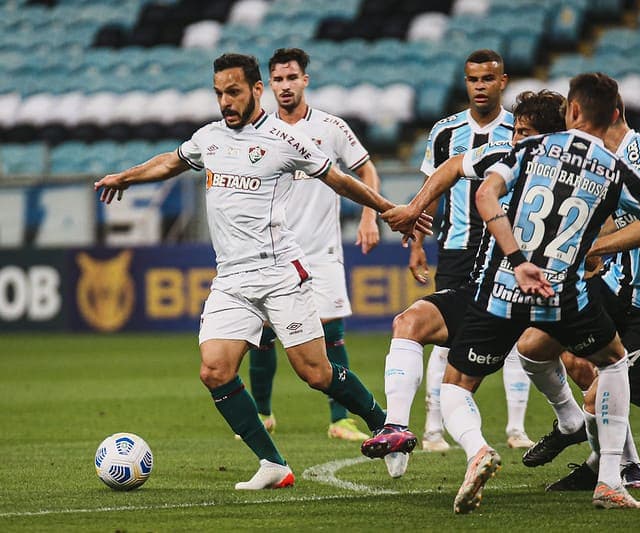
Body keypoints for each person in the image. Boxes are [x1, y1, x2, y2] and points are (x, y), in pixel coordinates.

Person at [93, 53, 431, 490]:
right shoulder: (210, 137)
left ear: (256, 90)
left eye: (233, 91)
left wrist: (387, 210)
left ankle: (388, 427)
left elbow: (339, 179)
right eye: (218, 93)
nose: (225, 101)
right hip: (231, 280)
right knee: (214, 370)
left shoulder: (283, 139)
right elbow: (170, 161)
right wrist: (125, 176)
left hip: (278, 275)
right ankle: (273, 464)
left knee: (316, 373)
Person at [437, 72, 640, 513]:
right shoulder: (618, 169)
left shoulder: (528, 149)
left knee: (456, 387)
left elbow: (485, 198)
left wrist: (517, 261)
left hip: (504, 287)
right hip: (562, 293)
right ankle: (611, 478)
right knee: (612, 363)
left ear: (571, 111)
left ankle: (479, 449)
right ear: (613, 115)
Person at [362, 90, 568, 478]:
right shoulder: (505, 157)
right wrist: (414, 208)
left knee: (588, 366)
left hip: (543, 296)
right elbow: (453, 166)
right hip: (488, 292)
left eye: (524, 133)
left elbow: (484, 195)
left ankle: (612, 458)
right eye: (516, 132)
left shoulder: (577, 174)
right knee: (410, 324)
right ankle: (398, 427)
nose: (516, 140)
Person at [523, 94, 640, 492]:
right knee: (535, 345)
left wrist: (590, 249)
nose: (573, 126)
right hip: (621, 287)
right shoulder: (601, 161)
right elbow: (608, 217)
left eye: (579, 117)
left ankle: (617, 466)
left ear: (612, 113)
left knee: (597, 399)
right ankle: (574, 426)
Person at [240, 47, 381, 443]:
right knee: (264, 333)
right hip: (273, 252)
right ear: (269, 85)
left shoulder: (331, 128)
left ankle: (341, 419)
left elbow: (366, 167)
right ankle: (264, 412)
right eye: (278, 80)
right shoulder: (258, 131)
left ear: (305, 80)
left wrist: (369, 215)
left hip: (321, 252)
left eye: (292, 78)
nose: (285, 86)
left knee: (330, 332)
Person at [409, 49, 535, 452]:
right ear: (465, 82)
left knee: (516, 333)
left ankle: (516, 428)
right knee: (445, 338)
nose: (479, 86)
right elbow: (433, 189)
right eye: (473, 79)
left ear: (503, 81)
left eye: (487, 79)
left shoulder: (520, 130)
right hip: (457, 247)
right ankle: (432, 429)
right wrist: (417, 244)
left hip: (505, 248)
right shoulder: (445, 132)